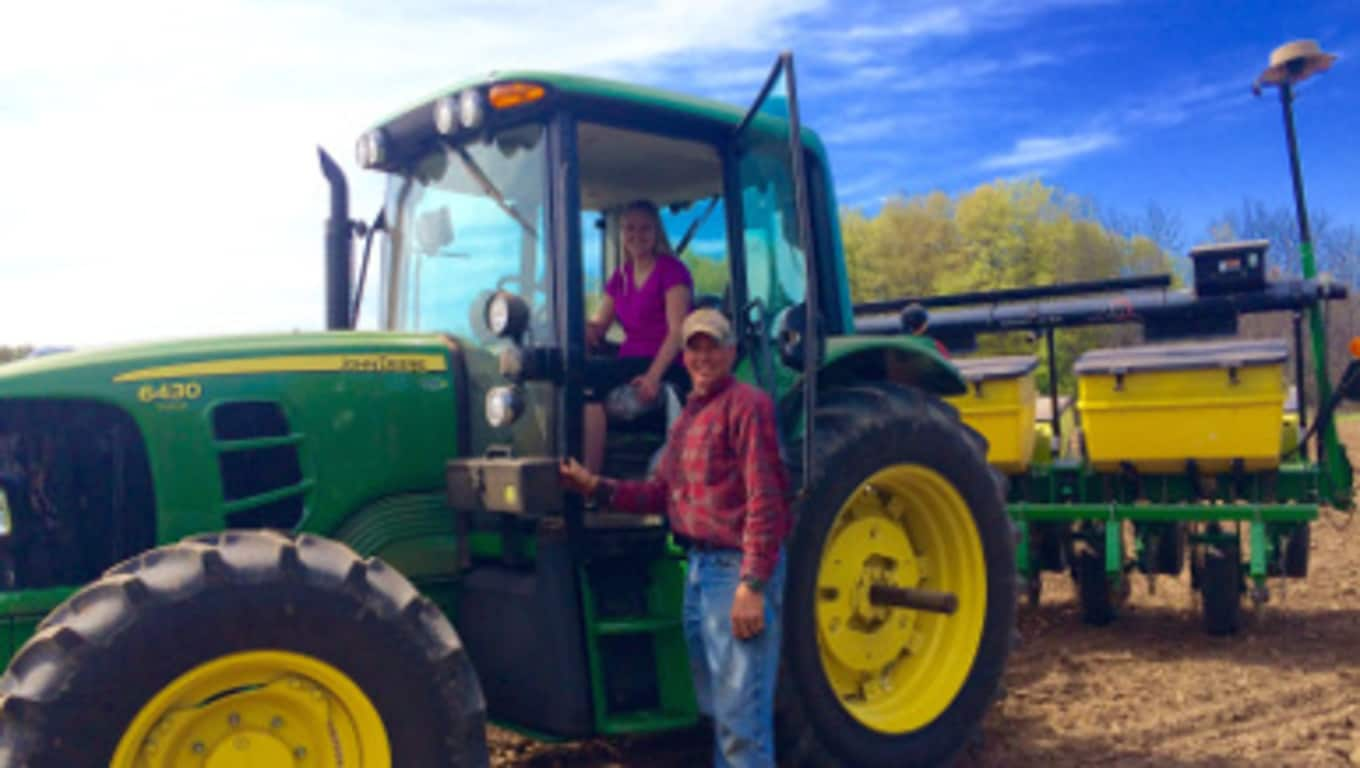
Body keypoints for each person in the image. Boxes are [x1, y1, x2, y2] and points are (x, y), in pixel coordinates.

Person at [561, 308, 791, 768]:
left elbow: (767, 498)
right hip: (700, 572)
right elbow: (660, 494)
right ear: (683, 356)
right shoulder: (689, 415)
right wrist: (596, 487)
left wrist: (753, 584)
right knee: (717, 709)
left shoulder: (748, 406)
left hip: (734, 572)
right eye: (694, 347)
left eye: (713, 346)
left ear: (731, 351)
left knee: (741, 719)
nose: (703, 356)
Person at [584, 199, 693, 473]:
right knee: (572, 374)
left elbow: (678, 331)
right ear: (622, 233)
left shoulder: (671, 271)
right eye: (629, 228)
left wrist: (653, 377)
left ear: (656, 232)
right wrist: (581, 326)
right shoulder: (619, 278)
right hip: (630, 361)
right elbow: (599, 326)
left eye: (645, 228)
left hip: (667, 364)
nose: (637, 235)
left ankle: (589, 485)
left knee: (588, 379)